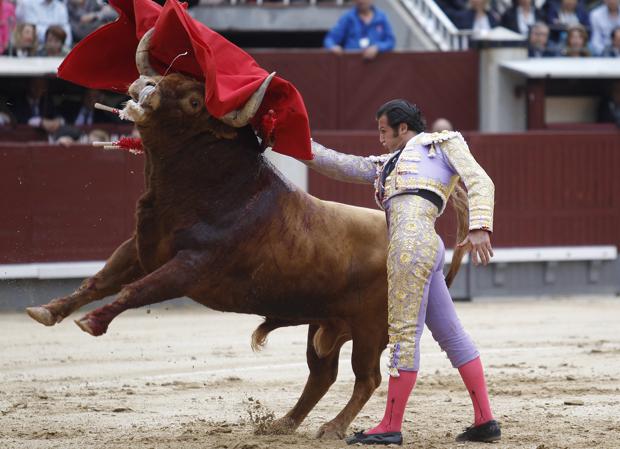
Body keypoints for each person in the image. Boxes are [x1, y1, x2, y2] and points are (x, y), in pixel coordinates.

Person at [305, 100, 500, 446]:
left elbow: (480, 180)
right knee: (451, 335)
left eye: (383, 130)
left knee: (403, 335)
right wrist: (292, 142)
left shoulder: (442, 144)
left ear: (403, 128)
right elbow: (338, 164)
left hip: (410, 247)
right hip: (428, 245)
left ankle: (391, 424)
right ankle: (485, 420)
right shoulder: (387, 164)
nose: (379, 138)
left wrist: (481, 225)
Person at [323, 0, 396, 60]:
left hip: (377, 67)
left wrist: (378, 47)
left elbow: (390, 41)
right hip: (352, 65)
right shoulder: (347, 18)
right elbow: (330, 39)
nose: (361, 1)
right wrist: (333, 47)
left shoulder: (381, 17)